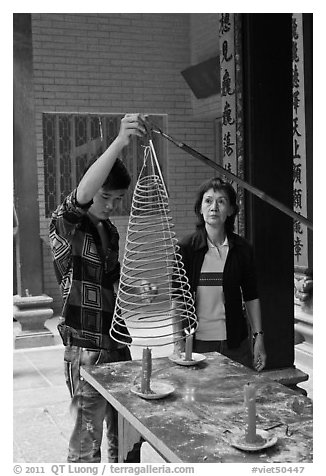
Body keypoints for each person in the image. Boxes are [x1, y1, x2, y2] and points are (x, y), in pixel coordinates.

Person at [49, 113, 146, 463]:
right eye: (106, 197)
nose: (111, 205)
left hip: (117, 345)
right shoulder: (66, 225)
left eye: (118, 199)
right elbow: (81, 196)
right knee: (86, 446)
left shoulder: (111, 233)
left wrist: (134, 289)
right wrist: (120, 141)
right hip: (87, 348)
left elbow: (114, 281)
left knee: (128, 440)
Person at [175, 176, 266, 372]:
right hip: (198, 344)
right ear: (200, 208)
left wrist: (259, 337)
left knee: (236, 398)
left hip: (235, 344)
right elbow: (177, 299)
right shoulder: (186, 248)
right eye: (208, 201)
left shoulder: (242, 249)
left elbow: (251, 296)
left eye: (221, 201)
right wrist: (178, 343)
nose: (214, 207)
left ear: (231, 210)